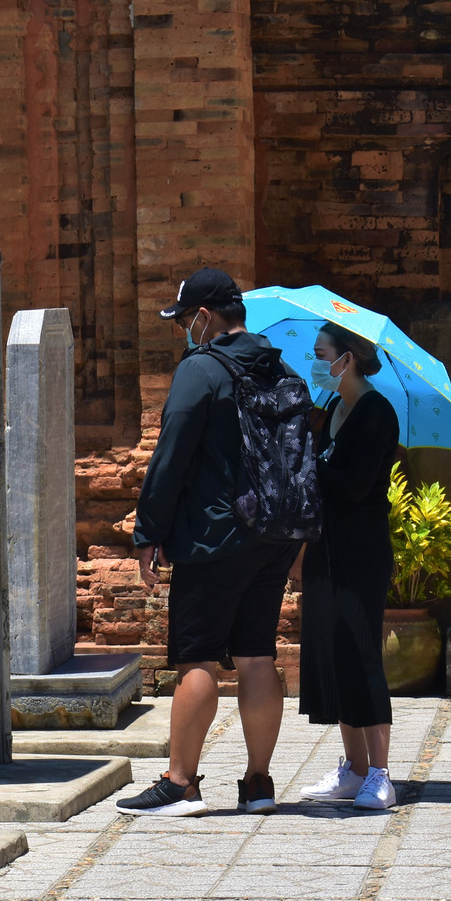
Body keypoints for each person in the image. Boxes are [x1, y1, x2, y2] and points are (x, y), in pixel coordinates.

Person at [116, 268, 303, 817]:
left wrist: (149, 530)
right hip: (273, 533)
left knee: (197, 657)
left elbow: (171, 452)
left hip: (216, 534)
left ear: (203, 316)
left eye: (183, 320)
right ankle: (259, 784)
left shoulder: (201, 370)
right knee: (256, 654)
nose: (183, 331)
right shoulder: (278, 364)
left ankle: (180, 784)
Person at [296, 322, 401, 810]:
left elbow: (356, 485)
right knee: (333, 657)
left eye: (321, 353)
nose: (316, 361)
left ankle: (380, 772)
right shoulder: (333, 409)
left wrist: (308, 466)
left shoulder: (376, 411)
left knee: (362, 655)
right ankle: (353, 768)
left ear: (348, 358)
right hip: (326, 549)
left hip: (362, 553)